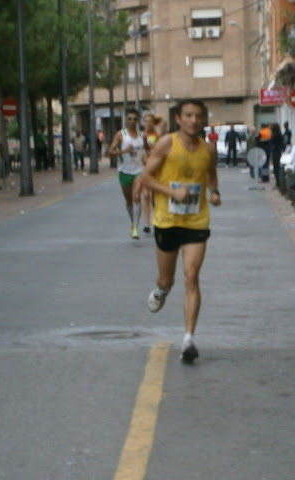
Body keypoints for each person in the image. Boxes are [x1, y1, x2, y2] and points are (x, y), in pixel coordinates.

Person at [139, 98, 221, 364]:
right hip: (167, 220)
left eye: (198, 115)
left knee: (192, 276)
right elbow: (146, 178)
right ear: (178, 119)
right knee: (168, 280)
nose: (193, 120)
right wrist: (172, 191)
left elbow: (211, 174)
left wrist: (214, 191)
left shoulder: (209, 149)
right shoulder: (166, 143)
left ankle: (189, 339)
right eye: (188, 115)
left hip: (196, 220)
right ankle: (161, 290)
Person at [108, 109, 145, 239]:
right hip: (124, 171)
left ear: (138, 121)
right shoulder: (121, 135)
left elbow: (147, 152)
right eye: (129, 118)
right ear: (126, 120)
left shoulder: (142, 135)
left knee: (136, 197)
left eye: (135, 118)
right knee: (129, 201)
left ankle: (135, 227)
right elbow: (110, 152)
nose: (132, 121)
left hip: (139, 171)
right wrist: (123, 151)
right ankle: (132, 221)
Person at [270, 123, 285, 188]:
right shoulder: (280, 135)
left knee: (276, 168)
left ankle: (278, 183)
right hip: (279, 152)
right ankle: (280, 182)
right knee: (279, 168)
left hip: (275, 152)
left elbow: (271, 143)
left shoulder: (273, 136)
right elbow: (282, 144)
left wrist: (272, 146)